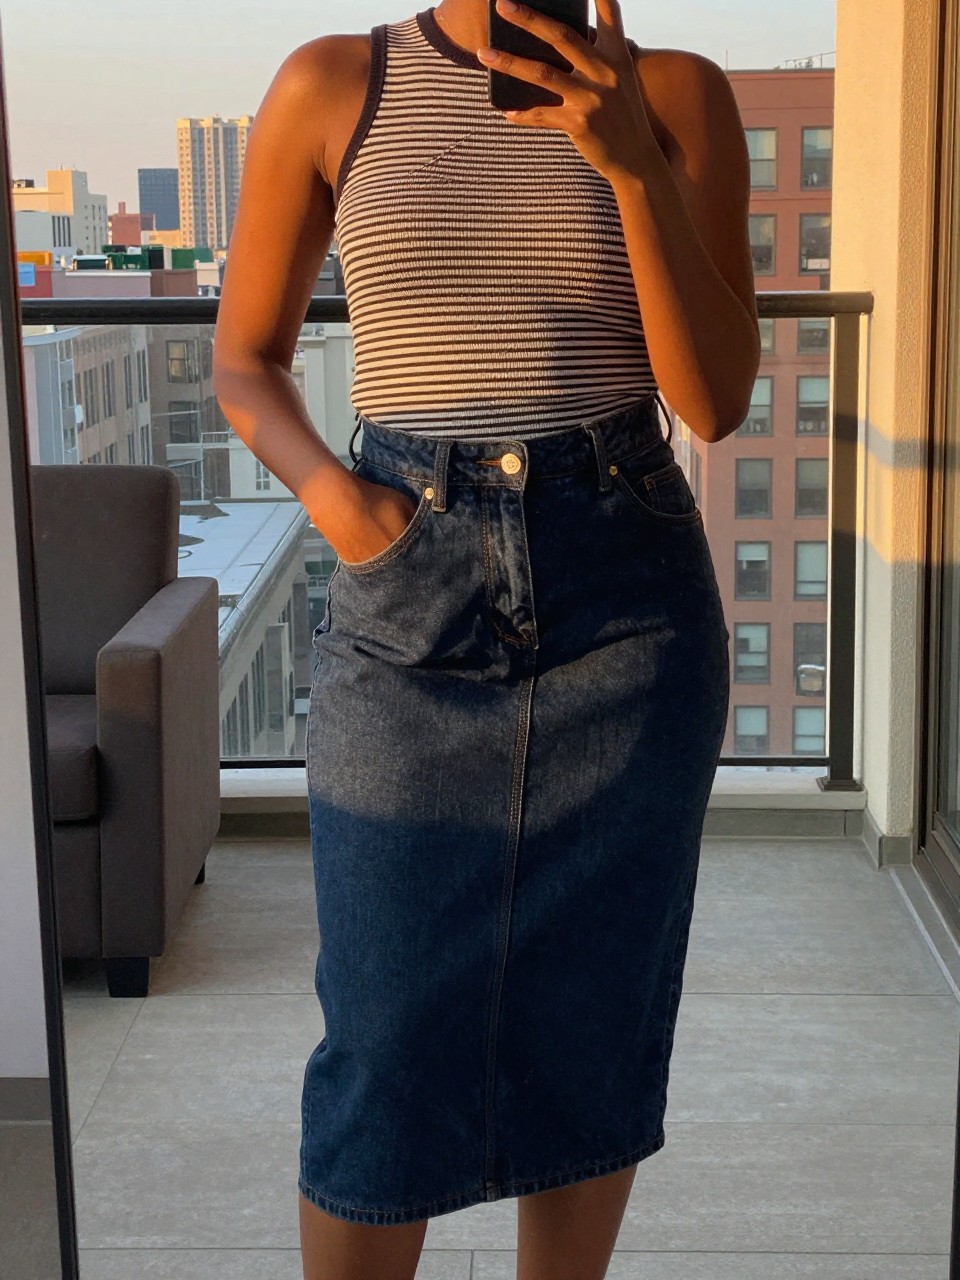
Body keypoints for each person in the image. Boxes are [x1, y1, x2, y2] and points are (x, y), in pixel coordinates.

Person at [213, 1, 760, 1277]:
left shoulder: (676, 93)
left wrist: (629, 162)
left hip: (626, 601)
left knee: (590, 1030)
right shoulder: (334, 84)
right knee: (384, 1040)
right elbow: (245, 358)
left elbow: (716, 397)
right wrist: (344, 506)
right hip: (407, 591)